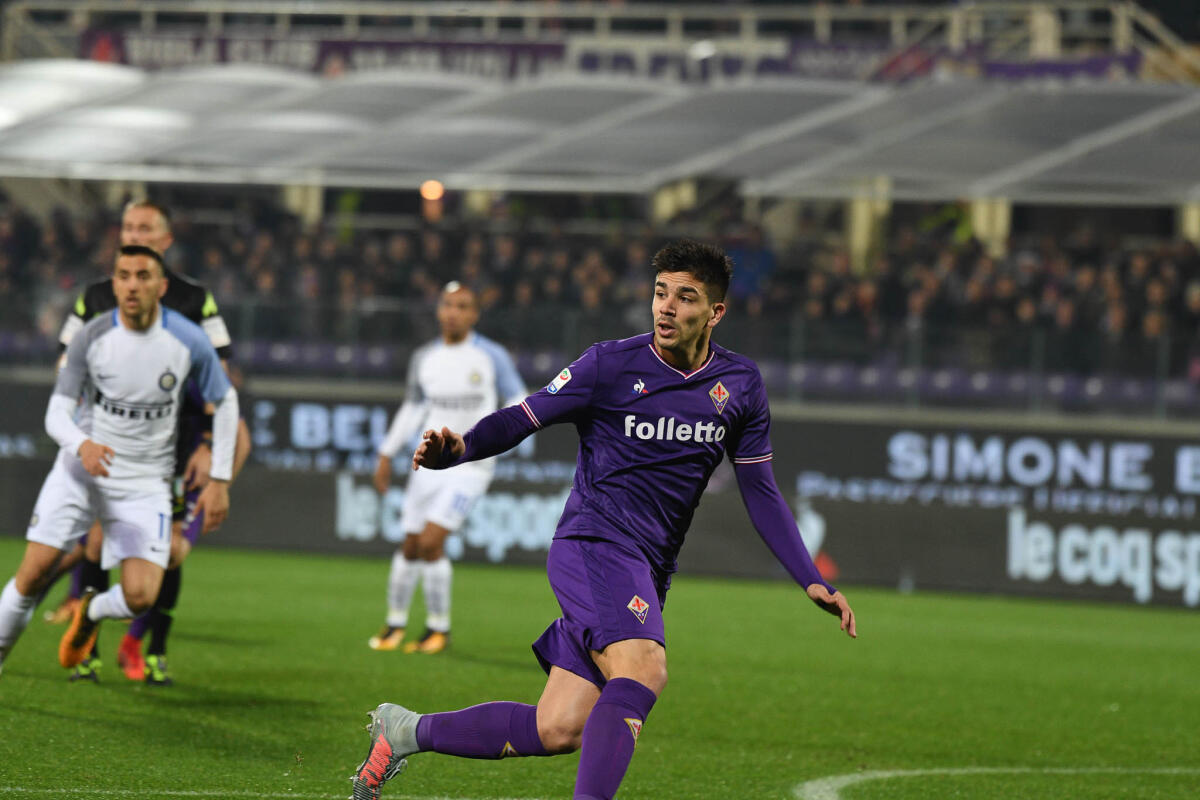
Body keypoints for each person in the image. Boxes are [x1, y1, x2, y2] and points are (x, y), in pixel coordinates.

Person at [349, 240, 856, 800]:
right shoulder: (609, 364)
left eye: (685, 298)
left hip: (649, 566)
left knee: (559, 726)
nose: (666, 307)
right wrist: (461, 448)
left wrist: (810, 576)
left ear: (716, 312)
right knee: (643, 670)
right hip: (594, 544)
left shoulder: (740, 385)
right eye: (660, 292)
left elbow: (760, 489)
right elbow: (525, 415)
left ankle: (403, 731)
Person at [0, 245, 239, 678]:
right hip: (81, 471)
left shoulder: (187, 339)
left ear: (161, 286)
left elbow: (225, 401)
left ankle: (90, 610)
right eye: (124, 275)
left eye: (144, 276)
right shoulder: (91, 337)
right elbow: (56, 412)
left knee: (140, 597)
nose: (133, 284)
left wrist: (219, 478)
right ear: (114, 284)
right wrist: (81, 444)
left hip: (145, 480)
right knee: (33, 573)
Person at [47, 200, 251, 685]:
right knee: (95, 541)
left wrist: (205, 442)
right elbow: (64, 368)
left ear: (165, 241)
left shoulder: (195, 300)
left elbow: (221, 378)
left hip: (172, 442)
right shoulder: (95, 296)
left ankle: (149, 646)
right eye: (129, 227)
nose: (135, 233)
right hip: (107, 438)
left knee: (170, 551)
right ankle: (90, 644)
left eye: (146, 228)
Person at [370, 281, 527, 655]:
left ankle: (438, 629)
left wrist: (495, 439)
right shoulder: (425, 357)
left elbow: (520, 399)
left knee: (430, 542)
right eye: (448, 305)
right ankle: (395, 623)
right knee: (409, 545)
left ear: (474, 314)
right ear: (439, 310)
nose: (454, 312)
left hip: (471, 466)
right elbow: (413, 406)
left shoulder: (491, 356)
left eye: (463, 306)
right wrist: (386, 452)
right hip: (430, 463)